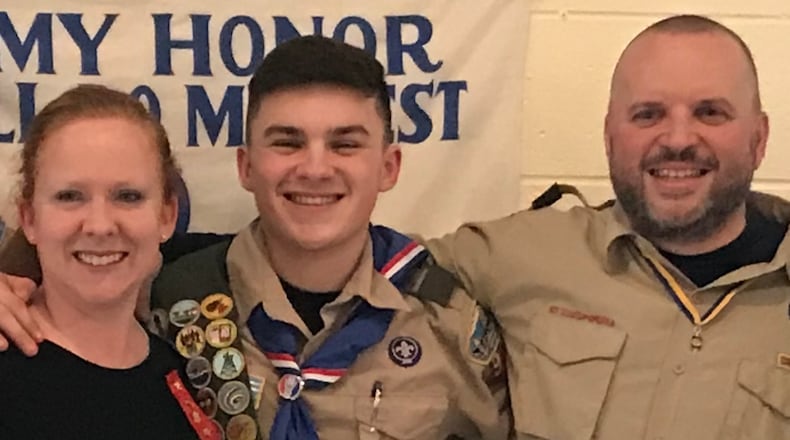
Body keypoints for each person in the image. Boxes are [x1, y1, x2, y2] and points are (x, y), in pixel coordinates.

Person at [0, 36, 511, 439]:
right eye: (287, 142)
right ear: (246, 165)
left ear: (388, 165)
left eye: (345, 144)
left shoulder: (450, 322)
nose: (315, 168)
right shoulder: (168, 294)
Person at [426, 14, 790, 439]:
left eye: (710, 112)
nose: (677, 139)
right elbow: (364, 268)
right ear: (609, 136)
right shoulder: (523, 254)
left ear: (759, 138)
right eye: (648, 114)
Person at [0, 84, 218, 439]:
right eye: (70, 197)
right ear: (29, 218)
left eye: (127, 196)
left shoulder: (176, 373)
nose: (100, 225)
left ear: (167, 216)